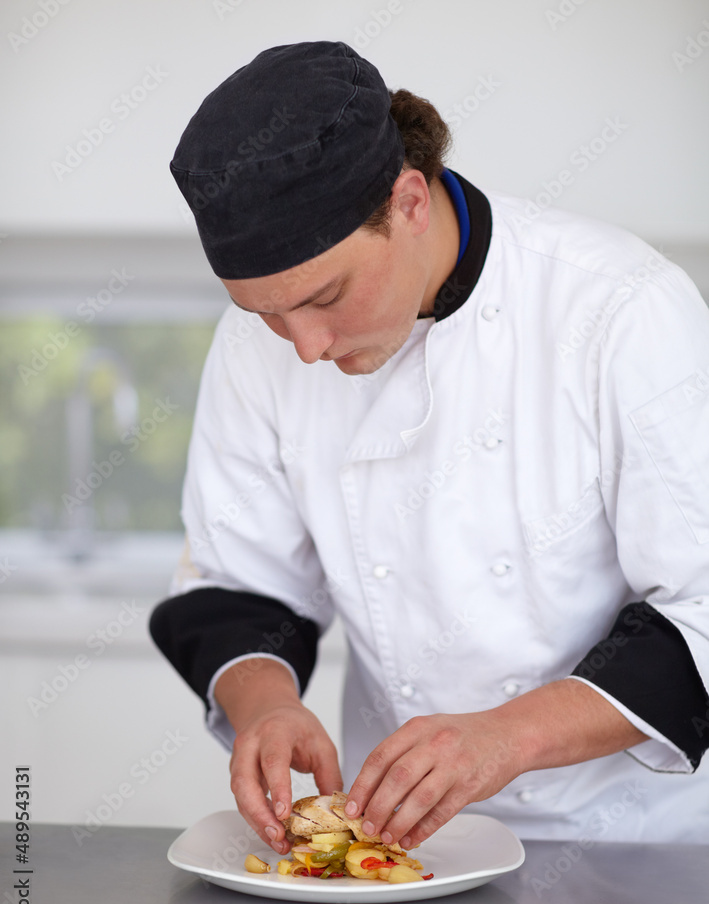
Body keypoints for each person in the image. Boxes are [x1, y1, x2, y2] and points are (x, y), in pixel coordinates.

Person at [150, 40, 709, 853]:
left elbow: (698, 611)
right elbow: (237, 583)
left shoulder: (620, 309)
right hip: (401, 848)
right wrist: (264, 702)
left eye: (324, 297)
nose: (302, 348)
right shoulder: (255, 349)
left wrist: (506, 737)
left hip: (630, 850)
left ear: (408, 201)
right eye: (267, 314)